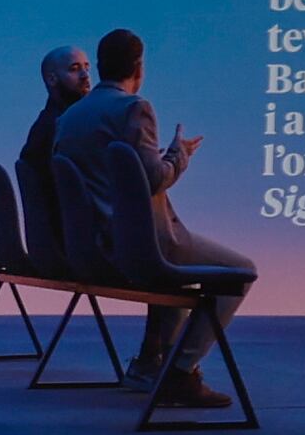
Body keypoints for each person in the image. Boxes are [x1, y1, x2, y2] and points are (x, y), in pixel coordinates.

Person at [47, 29, 254, 408]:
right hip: (144, 244)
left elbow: (114, 174)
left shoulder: (72, 117)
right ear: (138, 68)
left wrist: (159, 158)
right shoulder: (134, 108)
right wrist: (178, 157)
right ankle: (180, 372)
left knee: (183, 282)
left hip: (97, 245)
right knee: (242, 270)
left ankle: (147, 366)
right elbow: (154, 179)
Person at [18, 44, 93, 254]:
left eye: (87, 67)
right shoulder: (58, 129)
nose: (85, 75)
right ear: (52, 79)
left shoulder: (51, 123)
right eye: (74, 69)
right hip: (78, 245)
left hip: (61, 242)